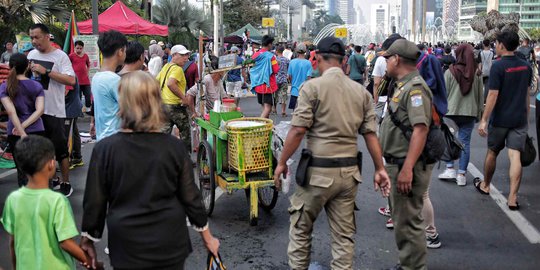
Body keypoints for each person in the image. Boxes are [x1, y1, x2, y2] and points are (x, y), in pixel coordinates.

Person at [80, 71, 220, 270]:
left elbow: (95, 200)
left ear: (123, 103)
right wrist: (208, 239)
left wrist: (88, 239)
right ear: (156, 101)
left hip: (126, 244)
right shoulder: (174, 147)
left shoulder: (105, 149)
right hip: (169, 242)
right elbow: (191, 198)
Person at [273, 37, 391, 270]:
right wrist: (380, 169)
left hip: (317, 173)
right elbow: (370, 135)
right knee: (343, 239)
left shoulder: (312, 88)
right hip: (349, 176)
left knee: (300, 230)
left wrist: (282, 162)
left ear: (316, 58)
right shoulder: (361, 93)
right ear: (344, 61)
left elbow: (297, 130)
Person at [379, 39, 434, 270]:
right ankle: (407, 263)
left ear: (397, 59)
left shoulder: (415, 89)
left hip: (405, 165)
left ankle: (413, 267)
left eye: (387, 58)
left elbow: (420, 129)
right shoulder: (403, 85)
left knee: (409, 223)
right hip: (398, 163)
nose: (385, 62)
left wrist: (408, 168)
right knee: (403, 222)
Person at [1, 135, 91, 270]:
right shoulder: (57, 201)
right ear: (51, 164)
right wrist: (89, 261)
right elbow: (65, 242)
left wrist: (15, 266)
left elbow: (13, 241)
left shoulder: (13, 199)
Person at [475, 30, 532, 211]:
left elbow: (492, 94)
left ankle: (486, 185)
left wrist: (484, 119)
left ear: (501, 45)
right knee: (515, 156)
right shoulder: (526, 66)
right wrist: (526, 117)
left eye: (497, 43)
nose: (495, 46)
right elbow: (526, 95)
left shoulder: (498, 66)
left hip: (500, 119)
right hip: (519, 119)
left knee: (492, 152)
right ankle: (512, 198)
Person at [28, 23, 76, 196]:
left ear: (47, 37)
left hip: (54, 111)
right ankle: (53, 178)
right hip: (35, 112)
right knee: (42, 150)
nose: (34, 41)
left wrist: (46, 72)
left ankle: (66, 182)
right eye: (32, 37)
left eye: (37, 37)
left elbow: (71, 81)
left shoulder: (60, 56)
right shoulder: (31, 55)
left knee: (61, 151)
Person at [438, 43, 484, 186]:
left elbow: (443, 94)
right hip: (469, 113)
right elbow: (480, 96)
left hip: (450, 113)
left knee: (447, 140)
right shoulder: (476, 74)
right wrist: (479, 115)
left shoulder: (450, 72)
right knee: (465, 143)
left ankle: (450, 168)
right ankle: (462, 175)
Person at [0, 53, 45, 186]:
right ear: (27, 67)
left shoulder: (5, 86)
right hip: (37, 131)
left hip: (14, 133)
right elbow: (40, 110)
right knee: (37, 170)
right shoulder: (37, 86)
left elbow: (11, 112)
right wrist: (24, 127)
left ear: (9, 67)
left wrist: (21, 131)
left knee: (22, 172)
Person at [92, 30, 127, 141]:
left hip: (102, 137)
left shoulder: (96, 77)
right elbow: (128, 111)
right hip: (115, 139)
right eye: (125, 50)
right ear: (120, 51)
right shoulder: (114, 80)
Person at [156, 44, 192, 150]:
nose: (186, 58)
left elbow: (156, 83)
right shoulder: (177, 69)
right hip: (176, 107)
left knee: (163, 135)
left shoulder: (166, 67)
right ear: (174, 55)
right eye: (182, 55)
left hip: (164, 105)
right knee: (185, 132)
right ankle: (184, 158)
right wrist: (183, 98)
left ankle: (162, 158)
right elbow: (171, 84)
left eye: (187, 55)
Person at [250, 35, 279, 118]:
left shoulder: (255, 55)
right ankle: (259, 125)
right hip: (268, 85)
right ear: (269, 44)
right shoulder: (271, 56)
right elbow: (276, 70)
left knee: (264, 108)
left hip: (258, 84)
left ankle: (266, 127)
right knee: (268, 108)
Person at [287, 43, 312, 111]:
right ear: (305, 51)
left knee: (294, 111)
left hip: (294, 90)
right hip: (304, 91)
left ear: (296, 51)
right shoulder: (308, 63)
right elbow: (309, 78)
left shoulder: (292, 62)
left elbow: (289, 76)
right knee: (303, 111)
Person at [69, 40, 92, 112]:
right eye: (77, 48)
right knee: (77, 96)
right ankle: (78, 109)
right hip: (76, 80)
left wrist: (87, 72)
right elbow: (67, 65)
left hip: (85, 80)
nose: (79, 50)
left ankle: (88, 109)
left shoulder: (85, 56)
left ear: (83, 48)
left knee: (88, 94)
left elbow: (88, 65)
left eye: (80, 48)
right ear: (75, 48)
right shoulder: (71, 56)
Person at [274, 46, 290, 116]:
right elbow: (289, 69)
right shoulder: (286, 60)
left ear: (276, 51)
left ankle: (274, 109)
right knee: (284, 95)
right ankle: (283, 111)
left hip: (275, 80)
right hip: (284, 79)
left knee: (275, 95)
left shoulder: (274, 60)